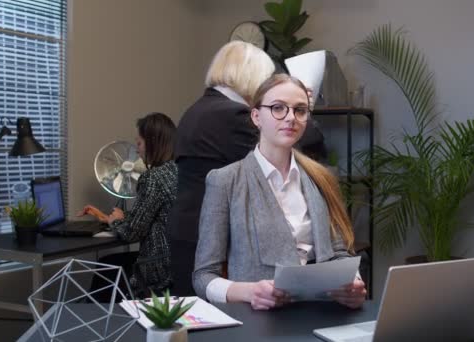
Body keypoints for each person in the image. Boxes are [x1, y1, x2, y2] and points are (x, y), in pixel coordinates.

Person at [193, 74, 366, 310]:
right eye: (278, 108)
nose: (290, 118)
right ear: (256, 116)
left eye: (300, 110)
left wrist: (354, 284)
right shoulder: (225, 181)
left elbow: (339, 253)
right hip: (259, 322)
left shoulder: (321, 178)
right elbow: (203, 277)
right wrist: (249, 292)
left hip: (323, 314)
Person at [167, 41, 275, 296]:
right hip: (211, 243)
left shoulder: (196, 110)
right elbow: (279, 157)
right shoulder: (234, 115)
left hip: (186, 231)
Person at [80, 112, 177, 299]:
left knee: (106, 268)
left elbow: (133, 233)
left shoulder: (153, 178)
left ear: (153, 143)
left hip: (158, 267)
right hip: (177, 263)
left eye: (139, 143)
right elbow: (154, 216)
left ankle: (97, 319)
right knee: (109, 262)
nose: (137, 151)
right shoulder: (178, 171)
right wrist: (122, 218)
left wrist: (114, 221)